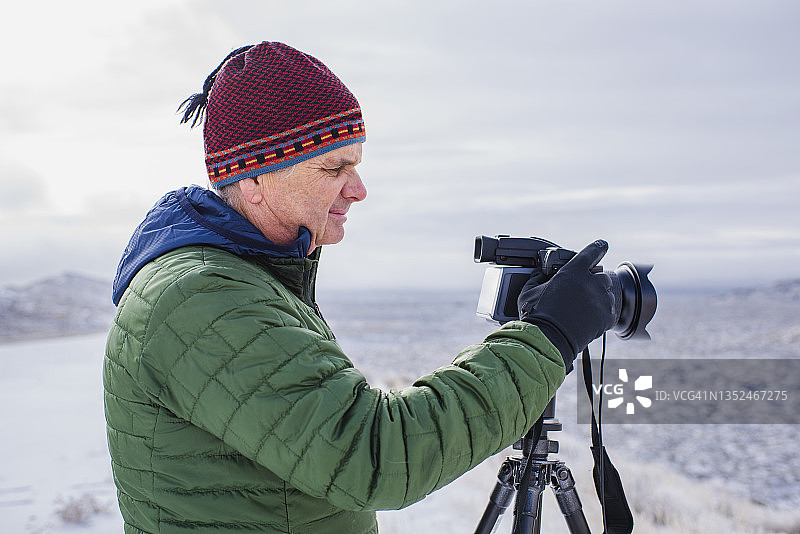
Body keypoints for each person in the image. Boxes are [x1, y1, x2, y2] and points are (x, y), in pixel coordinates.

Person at [104, 41, 614, 534]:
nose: (359, 189)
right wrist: (548, 336)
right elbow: (373, 453)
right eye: (333, 168)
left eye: (357, 165)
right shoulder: (202, 298)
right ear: (255, 180)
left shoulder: (243, 277)